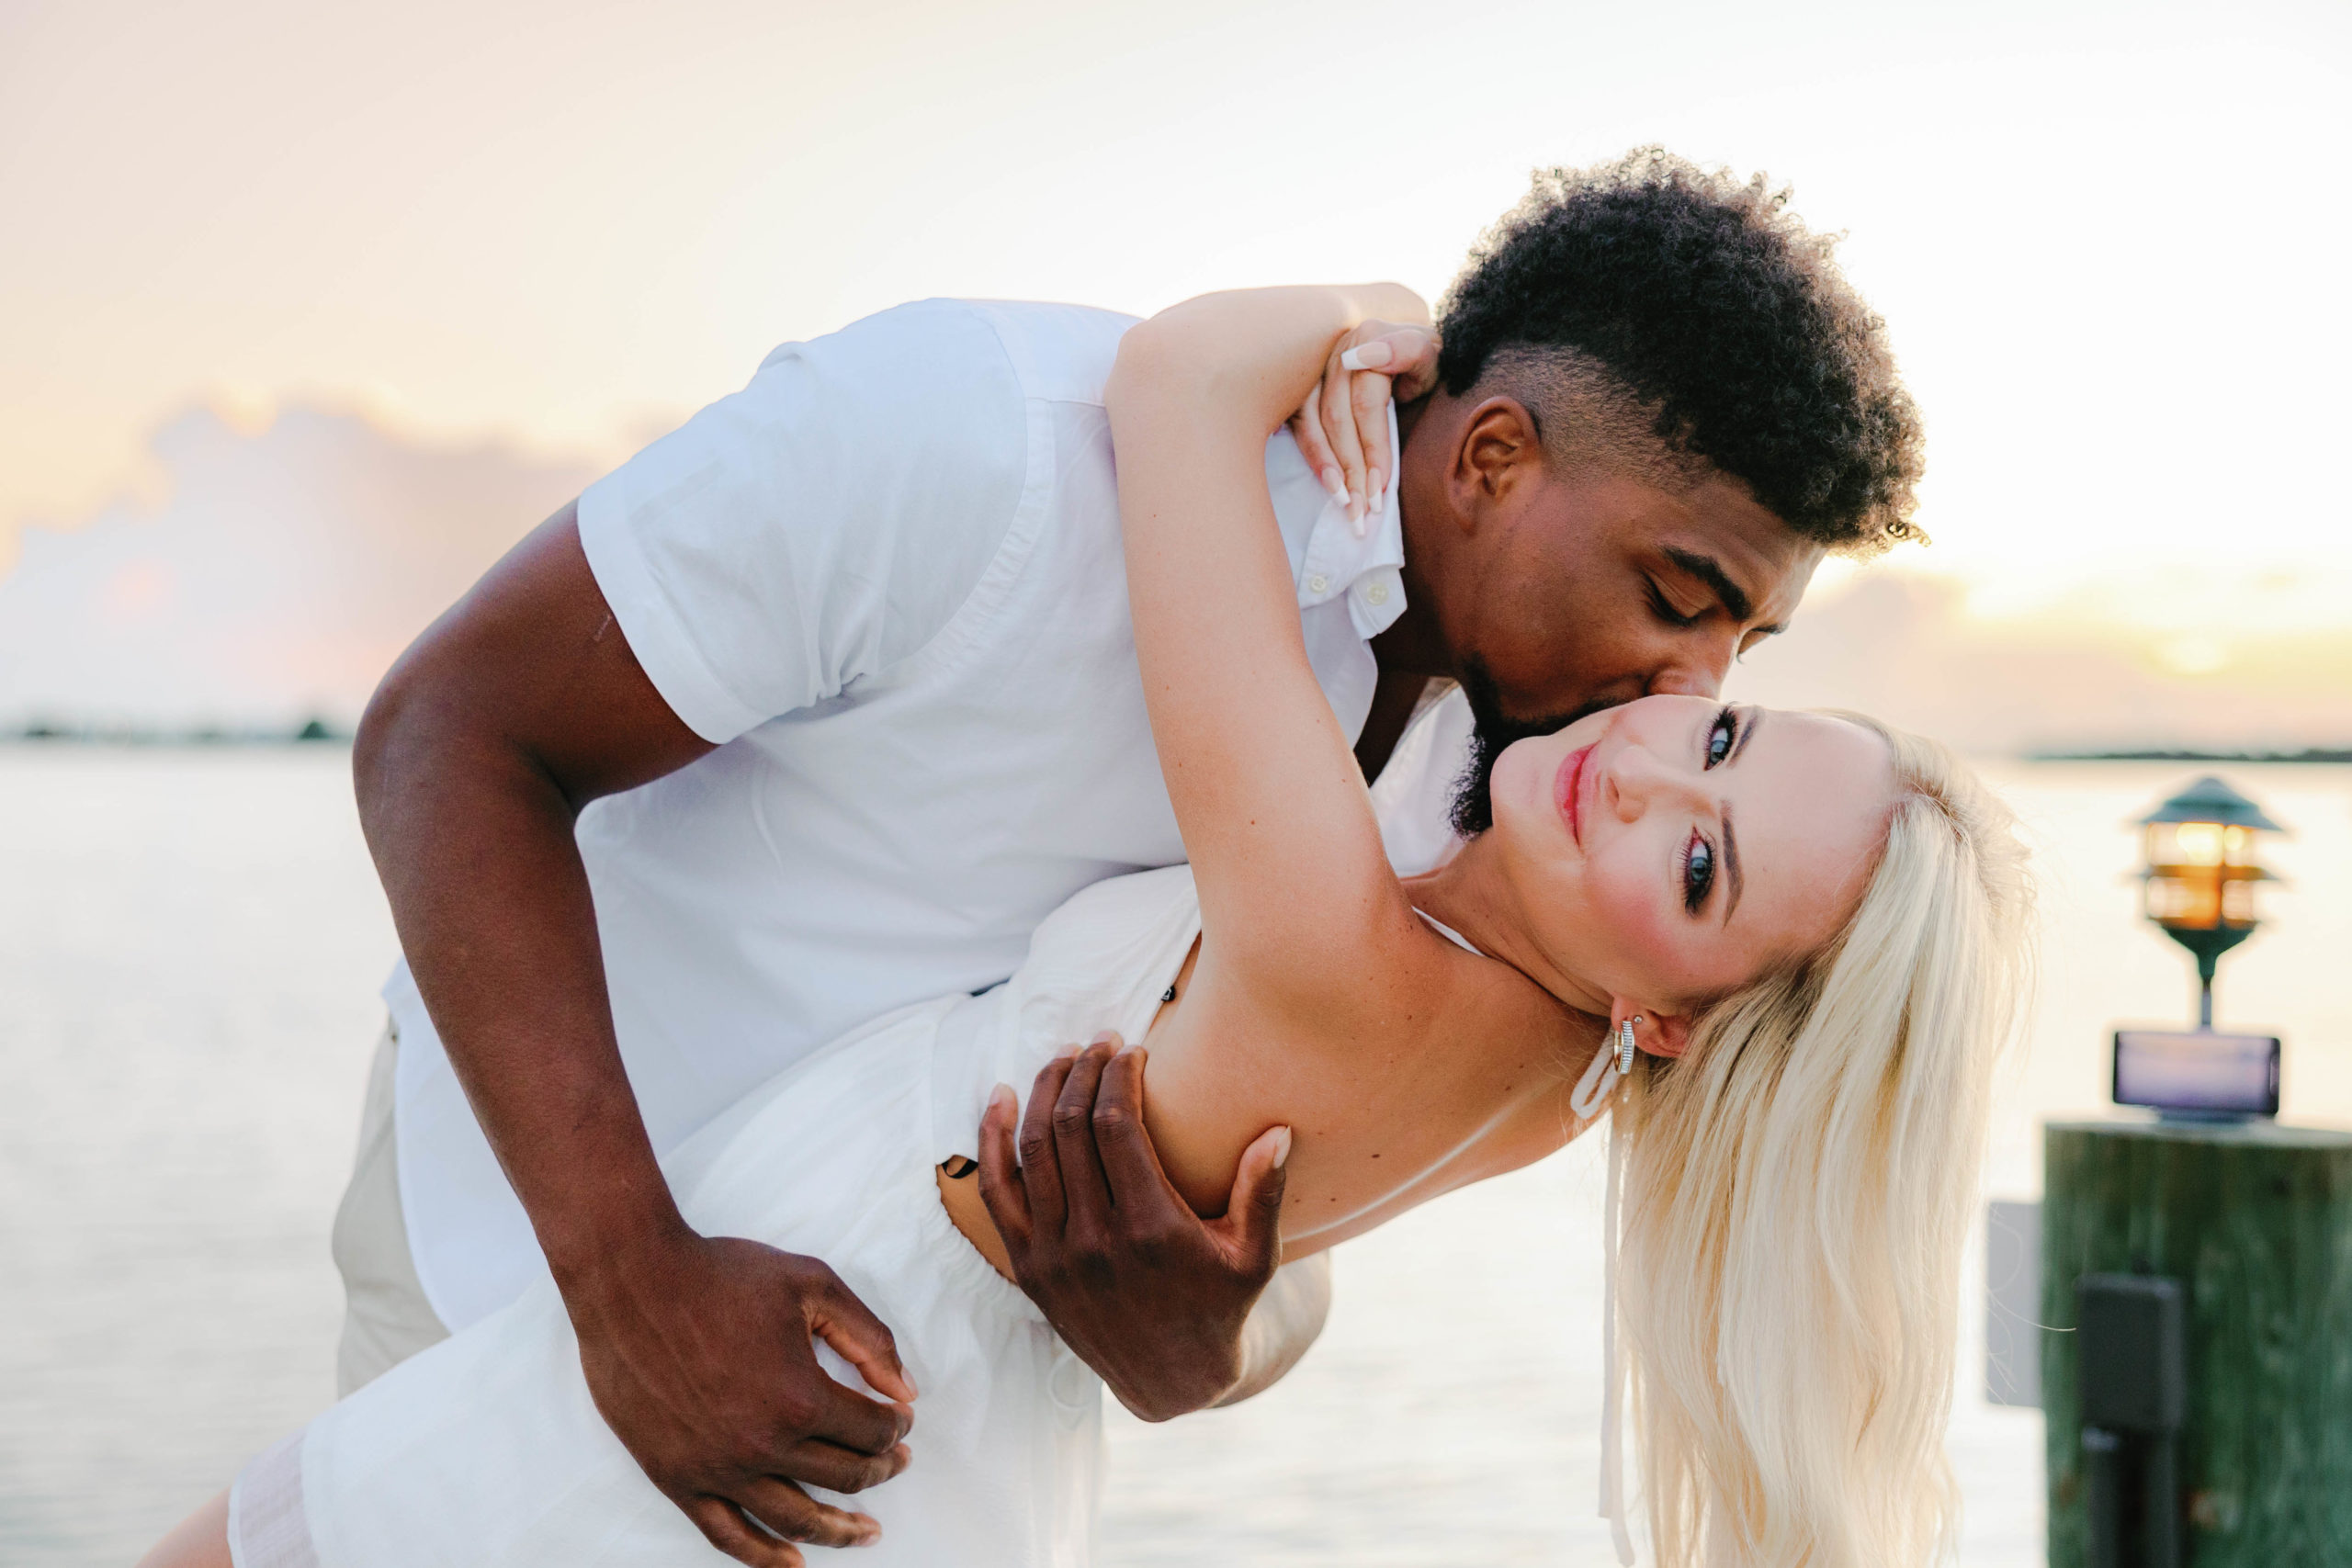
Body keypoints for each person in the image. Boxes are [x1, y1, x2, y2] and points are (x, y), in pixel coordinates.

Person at [141, 280, 2027, 1568]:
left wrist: (1217, 1333)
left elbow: (1268, 1209)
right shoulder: (971, 448)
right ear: (1489, 459)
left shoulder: (1500, 825)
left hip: (878, 1396)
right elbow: (445, 730)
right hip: (555, 1240)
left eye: (1733, 658)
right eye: (1679, 602)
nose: (1668, 683)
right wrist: (624, 1276)